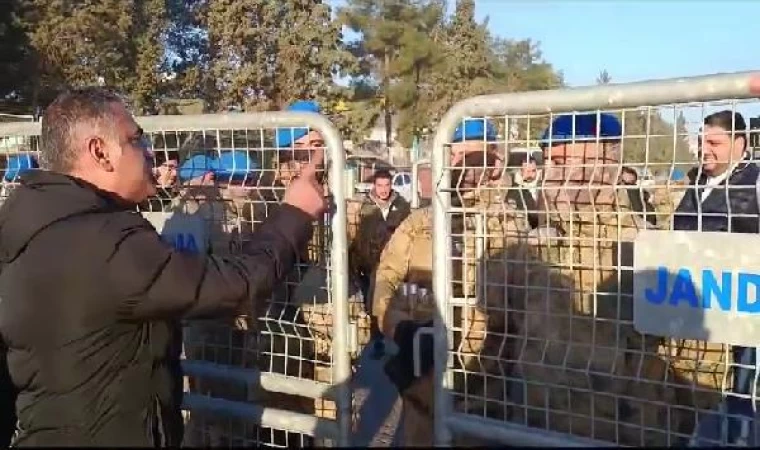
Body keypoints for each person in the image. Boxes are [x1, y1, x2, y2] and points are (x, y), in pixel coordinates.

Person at [0, 87, 325, 447]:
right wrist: (295, 214)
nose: (151, 152)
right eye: (137, 139)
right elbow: (238, 284)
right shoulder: (108, 243)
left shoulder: (25, 226)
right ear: (100, 151)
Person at [500, 112, 724, 446]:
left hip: (621, 433)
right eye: (549, 162)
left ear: (605, 165)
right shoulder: (538, 251)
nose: (552, 174)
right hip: (538, 427)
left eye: (564, 162)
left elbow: (700, 367)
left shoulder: (648, 251)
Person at [372, 117, 527, 446]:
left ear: (496, 164)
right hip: (421, 383)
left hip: (486, 392)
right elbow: (385, 278)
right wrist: (398, 327)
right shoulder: (420, 222)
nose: (462, 169)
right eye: (453, 159)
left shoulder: (511, 227)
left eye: (473, 159)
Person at [671, 110, 759, 445]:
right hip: (691, 310)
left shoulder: (755, 181)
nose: (704, 149)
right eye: (701, 141)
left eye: (714, 142)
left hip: (741, 310)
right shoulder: (695, 181)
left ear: (740, 143)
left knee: (738, 393)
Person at [349, 168, 411, 359]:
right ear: (374, 185)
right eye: (379, 185)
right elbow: (352, 233)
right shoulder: (363, 205)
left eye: (386, 185)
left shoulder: (401, 205)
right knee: (371, 303)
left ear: (391, 185)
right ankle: (377, 340)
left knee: (396, 301)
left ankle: (400, 341)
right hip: (368, 263)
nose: (383, 190)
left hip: (394, 263)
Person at [505, 150, 541, 229]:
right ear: (520, 171)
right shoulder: (514, 188)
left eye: (533, 171)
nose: (530, 174)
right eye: (527, 171)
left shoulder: (541, 184)